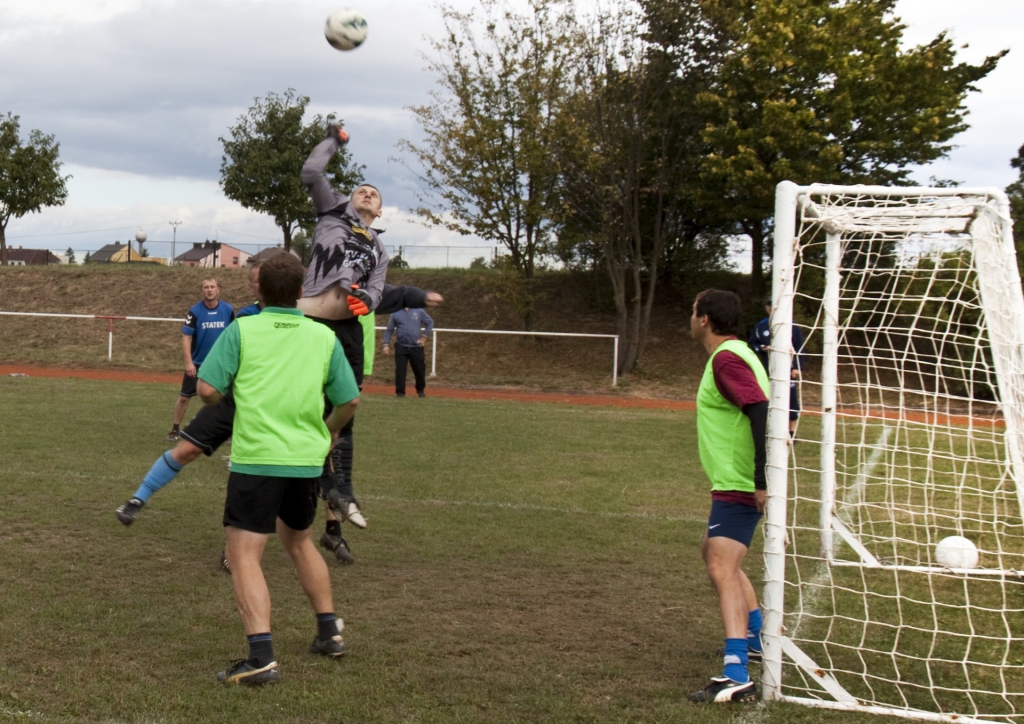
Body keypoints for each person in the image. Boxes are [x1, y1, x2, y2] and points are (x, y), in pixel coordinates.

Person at [114, 283, 442, 568]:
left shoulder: (316, 314)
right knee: (191, 451)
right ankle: (139, 499)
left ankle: (328, 532)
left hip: (280, 402)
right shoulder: (245, 319)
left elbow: (377, 293)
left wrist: (413, 295)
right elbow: (213, 382)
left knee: (315, 461)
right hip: (239, 398)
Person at [196, 252, 360, 685]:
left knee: (243, 552)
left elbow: (207, 388)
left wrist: (223, 402)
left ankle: (261, 657)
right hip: (305, 461)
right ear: (302, 290)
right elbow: (350, 400)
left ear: (259, 290)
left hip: (258, 458)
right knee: (299, 540)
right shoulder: (323, 336)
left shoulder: (243, 329)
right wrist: (326, 432)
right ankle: (329, 632)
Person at [295, 123, 390, 542]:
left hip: (348, 330)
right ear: (349, 199)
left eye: (374, 194)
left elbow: (377, 289)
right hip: (313, 322)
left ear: (381, 211)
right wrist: (334, 139)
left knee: (346, 408)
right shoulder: (333, 209)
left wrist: (366, 302)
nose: (367, 194)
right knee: (306, 406)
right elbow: (311, 173)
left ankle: (341, 488)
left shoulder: (380, 248)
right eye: (361, 190)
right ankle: (317, 481)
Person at [687, 290, 769, 704]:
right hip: (734, 479)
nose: (691, 316)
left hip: (740, 481)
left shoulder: (727, 359)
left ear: (704, 319)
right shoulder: (738, 353)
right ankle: (756, 638)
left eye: (693, 310)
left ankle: (735, 671)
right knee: (714, 553)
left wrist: (760, 478)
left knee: (722, 563)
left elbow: (759, 408)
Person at [167, 277, 233, 441]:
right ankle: (175, 430)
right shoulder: (195, 311)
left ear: (218, 290)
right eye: (206, 287)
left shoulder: (228, 309)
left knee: (225, 398)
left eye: (212, 287)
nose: (209, 290)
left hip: (220, 364)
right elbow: (186, 337)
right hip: (197, 364)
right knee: (183, 398)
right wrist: (188, 362)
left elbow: (233, 335)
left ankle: (228, 431)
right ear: (201, 291)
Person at [748, 298, 805, 437]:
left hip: (787, 370)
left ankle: (791, 433)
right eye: (769, 305)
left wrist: (797, 367)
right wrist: (761, 348)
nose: (772, 307)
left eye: (775, 305)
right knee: (766, 399)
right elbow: (752, 343)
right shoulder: (761, 326)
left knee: (791, 400)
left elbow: (800, 347)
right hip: (767, 369)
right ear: (766, 308)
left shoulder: (791, 325)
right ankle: (769, 430)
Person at [383, 307, 434, 397]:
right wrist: (386, 344)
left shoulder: (419, 311)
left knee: (419, 370)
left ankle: (420, 390)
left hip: (416, 347)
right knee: (400, 370)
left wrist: (424, 336)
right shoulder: (395, 313)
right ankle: (400, 392)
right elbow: (389, 329)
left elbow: (430, 322)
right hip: (401, 346)